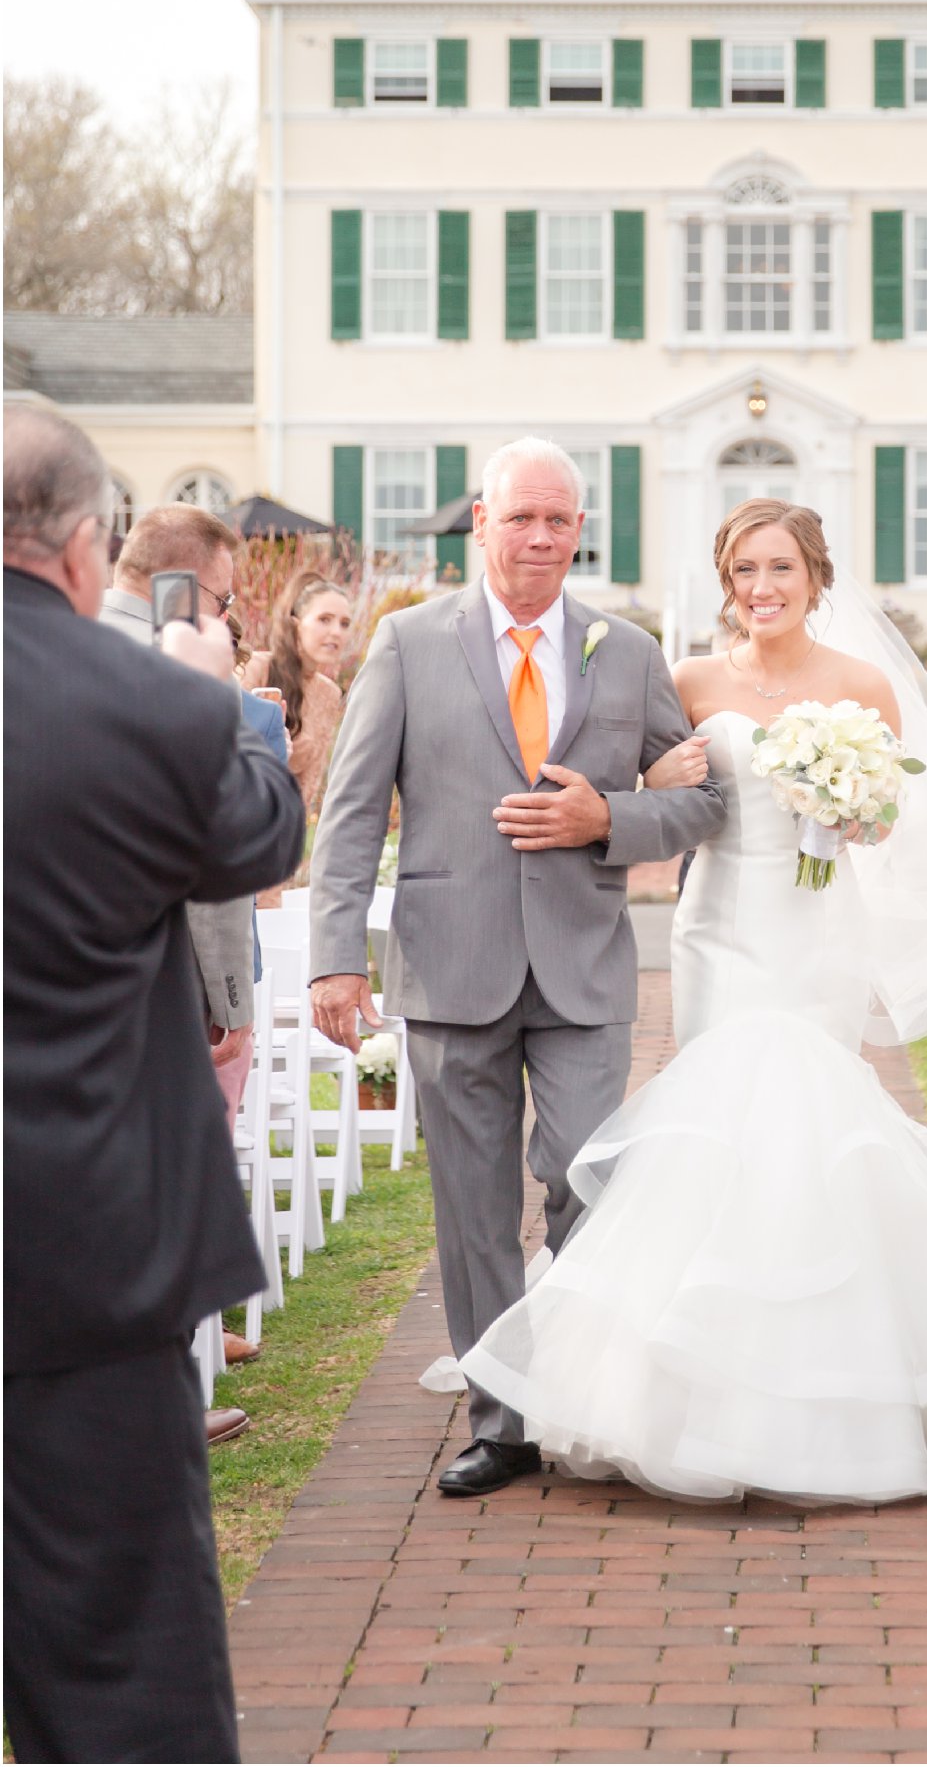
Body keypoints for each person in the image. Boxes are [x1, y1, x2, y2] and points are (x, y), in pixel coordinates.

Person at [460, 500, 927, 1500]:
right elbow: (655, 806)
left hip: (816, 937)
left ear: (813, 577)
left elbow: (894, 821)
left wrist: (854, 807)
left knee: (806, 1126)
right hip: (718, 928)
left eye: (777, 568)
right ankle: (686, 1375)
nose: (759, 588)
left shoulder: (860, 685)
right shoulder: (687, 680)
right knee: (715, 1129)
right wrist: (656, 774)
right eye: (742, 571)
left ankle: (824, 1378)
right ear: (726, 583)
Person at [308, 436, 726, 1498]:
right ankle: (504, 1422)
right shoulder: (407, 642)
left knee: (587, 1175)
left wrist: (607, 816)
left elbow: (700, 802)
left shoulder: (625, 652)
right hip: (449, 965)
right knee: (472, 1206)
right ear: (481, 524)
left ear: (579, 531)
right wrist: (334, 960)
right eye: (518, 518)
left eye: (558, 520)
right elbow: (353, 812)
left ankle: (585, 1392)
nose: (538, 536)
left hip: (584, 965)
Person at [3, 405, 306, 1764]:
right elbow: (264, 833)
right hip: (88, 1245)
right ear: (86, 547)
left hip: (81, 1251)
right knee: (123, 1654)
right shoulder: (155, 706)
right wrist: (223, 696)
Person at [103, 507, 290, 1374]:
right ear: (187, 580)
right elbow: (219, 860)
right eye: (221, 591)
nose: (223, 611)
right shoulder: (181, 667)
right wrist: (230, 998)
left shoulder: (54, 645)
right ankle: (176, 1378)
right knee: (166, 1184)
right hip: (165, 977)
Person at [243, 571, 353, 817]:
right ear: (295, 623)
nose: (336, 632)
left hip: (280, 824)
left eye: (345, 623)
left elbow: (308, 785)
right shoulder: (257, 667)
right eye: (324, 619)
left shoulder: (329, 693)